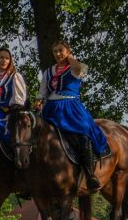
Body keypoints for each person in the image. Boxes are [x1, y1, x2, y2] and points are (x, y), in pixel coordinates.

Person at [33, 40, 110, 192]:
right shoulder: (49, 71)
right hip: (51, 108)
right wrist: (38, 101)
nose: (57, 54)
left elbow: (79, 69)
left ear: (68, 51)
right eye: (55, 51)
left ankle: (89, 175)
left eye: (60, 50)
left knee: (83, 133)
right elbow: (43, 91)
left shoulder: (76, 67)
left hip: (71, 108)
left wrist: (70, 58)